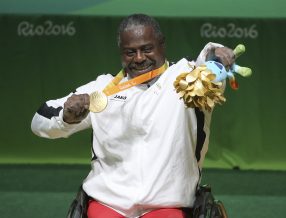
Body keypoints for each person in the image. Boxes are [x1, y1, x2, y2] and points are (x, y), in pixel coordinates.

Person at [31, 14, 235, 218]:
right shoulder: (102, 89)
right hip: (108, 203)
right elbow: (39, 121)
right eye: (130, 52)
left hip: (168, 206)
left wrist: (216, 54)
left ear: (162, 45)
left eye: (147, 49)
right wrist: (66, 117)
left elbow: (209, 69)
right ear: (121, 53)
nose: (139, 58)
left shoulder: (186, 80)